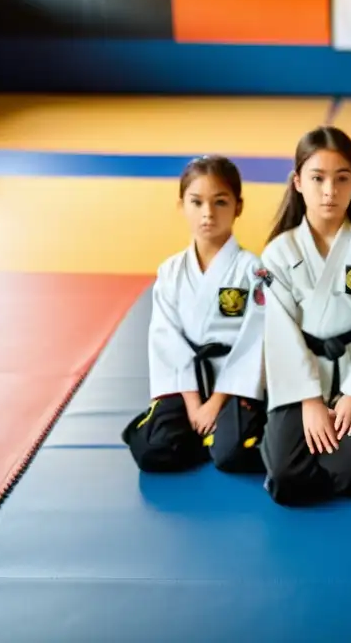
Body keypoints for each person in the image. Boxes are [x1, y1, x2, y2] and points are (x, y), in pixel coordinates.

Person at [259, 126, 351, 504]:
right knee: (285, 478)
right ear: (298, 182)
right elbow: (279, 334)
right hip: (302, 379)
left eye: (341, 178)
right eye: (317, 178)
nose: (329, 191)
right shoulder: (278, 253)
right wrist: (310, 400)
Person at [122, 155, 268, 474]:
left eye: (219, 202)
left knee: (231, 456)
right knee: (151, 451)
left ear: (238, 206)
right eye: (196, 202)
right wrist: (193, 405)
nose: (208, 213)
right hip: (187, 380)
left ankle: (226, 435)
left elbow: (254, 343)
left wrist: (215, 403)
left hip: (232, 385)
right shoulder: (171, 271)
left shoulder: (253, 270)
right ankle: (206, 436)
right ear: (181, 206)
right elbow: (166, 339)